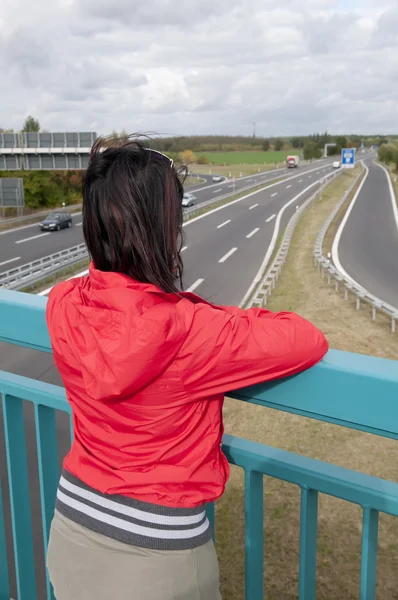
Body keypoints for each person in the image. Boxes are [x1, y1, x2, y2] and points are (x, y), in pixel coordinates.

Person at [46, 136, 328, 600]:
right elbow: (305, 338)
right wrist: (207, 315)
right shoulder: (192, 332)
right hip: (157, 560)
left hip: (72, 528)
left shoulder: (61, 303)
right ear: (165, 228)